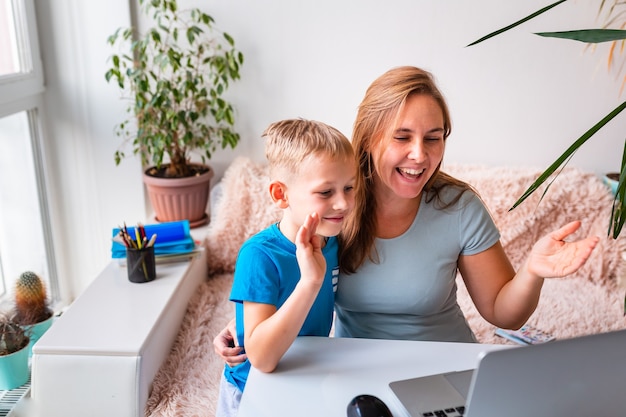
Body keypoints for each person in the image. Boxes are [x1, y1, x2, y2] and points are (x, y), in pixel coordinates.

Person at [214, 66, 599, 362]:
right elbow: (279, 264)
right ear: (369, 138)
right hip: (355, 369)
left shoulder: (457, 206)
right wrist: (244, 326)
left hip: (446, 363)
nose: (420, 154)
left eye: (434, 138)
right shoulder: (337, 204)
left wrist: (531, 272)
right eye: (402, 137)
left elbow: (502, 312)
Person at [215, 119, 357, 417]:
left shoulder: (333, 240)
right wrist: (309, 283)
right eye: (325, 192)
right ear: (281, 195)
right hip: (255, 390)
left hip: (309, 378)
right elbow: (262, 359)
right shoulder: (258, 255)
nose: (343, 203)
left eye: (349, 188)